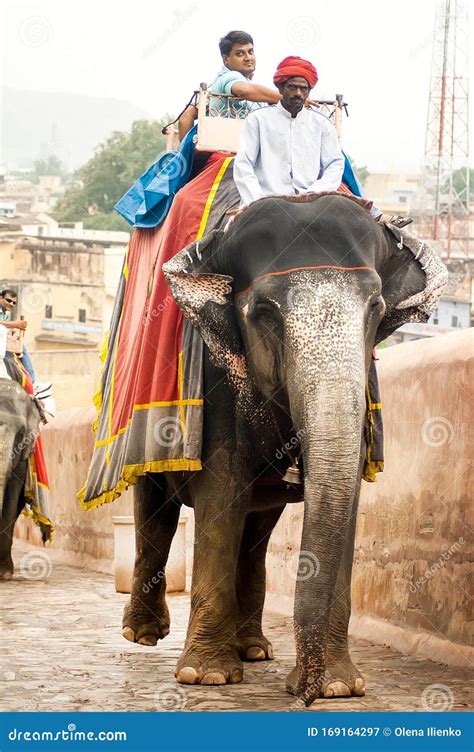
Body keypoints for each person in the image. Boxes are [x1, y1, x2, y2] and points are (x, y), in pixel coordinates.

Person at [233, 56, 345, 206]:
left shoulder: (322, 124)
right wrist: (257, 201)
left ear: (309, 91)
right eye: (292, 87)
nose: (298, 93)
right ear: (280, 88)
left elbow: (335, 164)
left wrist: (313, 195)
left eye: (303, 88)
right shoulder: (258, 119)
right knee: (234, 229)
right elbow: (243, 164)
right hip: (264, 201)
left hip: (312, 202)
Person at [178, 30, 281, 141]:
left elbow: (185, 117)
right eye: (240, 54)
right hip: (232, 148)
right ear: (226, 59)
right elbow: (243, 91)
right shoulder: (229, 76)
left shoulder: (244, 83)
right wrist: (284, 97)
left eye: (250, 52)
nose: (248, 58)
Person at [0, 289, 35, 383]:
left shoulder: (5, 313)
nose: (11, 304)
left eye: (14, 302)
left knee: (21, 347)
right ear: (1, 299)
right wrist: (15, 324)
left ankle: (31, 380)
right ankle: (32, 381)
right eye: (8, 300)